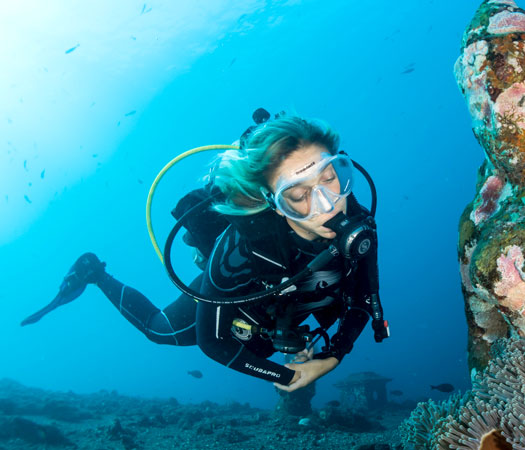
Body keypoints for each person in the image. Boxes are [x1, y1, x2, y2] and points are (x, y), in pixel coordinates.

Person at [21, 113, 388, 392]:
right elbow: (213, 344)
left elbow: (365, 297)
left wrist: (333, 356)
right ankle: (95, 273)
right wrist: (289, 374)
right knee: (160, 332)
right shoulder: (239, 254)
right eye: (298, 195)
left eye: (328, 176)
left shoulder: (355, 217)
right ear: (274, 204)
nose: (328, 205)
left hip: (293, 308)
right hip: (242, 301)